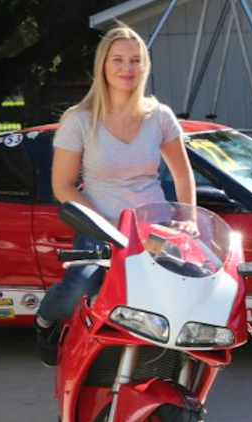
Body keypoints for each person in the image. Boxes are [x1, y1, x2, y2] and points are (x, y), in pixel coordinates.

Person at [34, 24, 196, 367]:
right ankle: (46, 321)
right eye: (118, 60)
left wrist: (189, 218)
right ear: (103, 65)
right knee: (78, 289)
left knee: (186, 283)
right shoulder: (79, 120)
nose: (127, 68)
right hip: (98, 229)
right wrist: (103, 226)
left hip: (150, 231)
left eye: (135, 60)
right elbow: (63, 186)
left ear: (145, 66)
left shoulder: (160, 116)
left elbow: (182, 174)